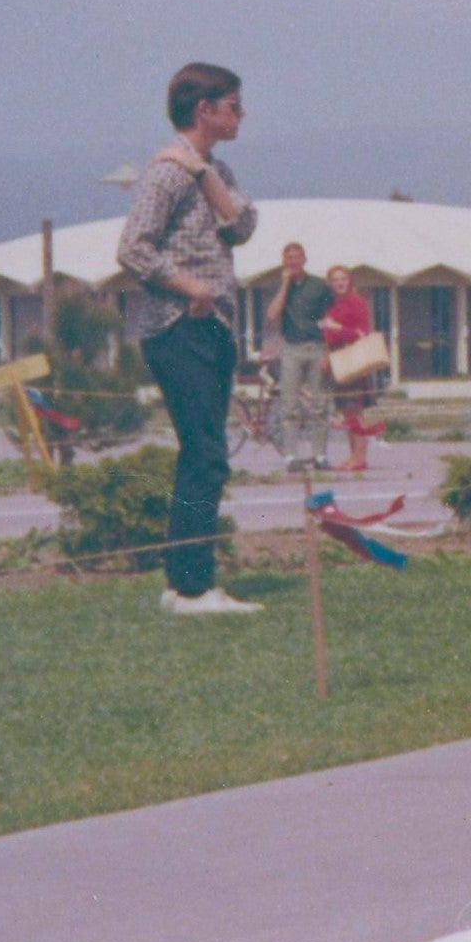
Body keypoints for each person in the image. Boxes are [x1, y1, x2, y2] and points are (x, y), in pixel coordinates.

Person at [115, 62, 262, 616]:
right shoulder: (163, 175)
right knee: (205, 454)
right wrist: (189, 286)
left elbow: (242, 228)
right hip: (179, 329)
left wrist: (203, 173)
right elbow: (133, 249)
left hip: (215, 327)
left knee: (204, 454)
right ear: (205, 109)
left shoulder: (205, 170)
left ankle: (184, 583)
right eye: (233, 105)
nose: (241, 115)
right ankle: (193, 587)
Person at [266, 243, 335, 470]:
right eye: (289, 258)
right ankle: (290, 456)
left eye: (297, 257)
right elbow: (272, 314)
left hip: (316, 347)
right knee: (289, 404)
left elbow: (329, 319)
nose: (293, 262)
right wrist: (285, 284)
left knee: (319, 403)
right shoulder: (281, 287)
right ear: (284, 262)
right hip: (291, 349)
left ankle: (320, 455)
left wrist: (328, 352)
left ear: (305, 259)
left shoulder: (319, 286)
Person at [318, 264, 380, 472]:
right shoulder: (334, 304)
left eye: (343, 278)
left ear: (350, 280)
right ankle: (353, 455)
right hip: (339, 358)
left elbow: (361, 333)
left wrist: (337, 328)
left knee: (355, 411)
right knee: (347, 412)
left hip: (354, 358)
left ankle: (360, 457)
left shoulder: (356, 301)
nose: (339, 283)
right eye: (335, 279)